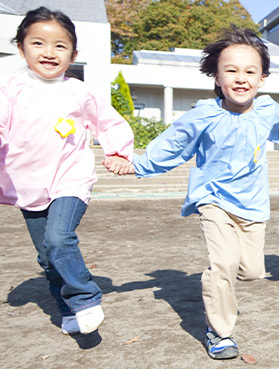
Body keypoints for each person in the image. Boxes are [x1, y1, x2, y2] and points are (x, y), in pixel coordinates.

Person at [110, 27, 279, 360]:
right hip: (213, 200)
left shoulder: (268, 110)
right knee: (223, 263)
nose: (241, 78)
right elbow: (174, 145)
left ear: (263, 78)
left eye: (250, 71)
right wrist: (136, 166)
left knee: (252, 271)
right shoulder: (203, 115)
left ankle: (222, 283)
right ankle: (220, 331)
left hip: (253, 205)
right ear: (216, 75)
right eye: (231, 70)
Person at [0, 7, 134, 335]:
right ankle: (68, 310)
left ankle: (86, 297)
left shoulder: (78, 90)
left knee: (59, 238)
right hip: (27, 184)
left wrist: (117, 152)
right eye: (38, 43)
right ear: (21, 47)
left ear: (73, 54)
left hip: (69, 177)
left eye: (60, 46)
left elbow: (107, 120)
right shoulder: (10, 88)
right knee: (48, 257)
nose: (49, 52)